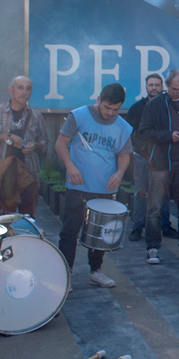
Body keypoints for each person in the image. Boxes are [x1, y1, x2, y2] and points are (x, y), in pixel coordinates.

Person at [55, 83, 133, 289]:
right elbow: (61, 143)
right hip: (78, 185)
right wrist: (70, 166)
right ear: (99, 100)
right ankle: (65, 273)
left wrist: (119, 172)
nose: (110, 113)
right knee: (70, 230)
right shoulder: (79, 115)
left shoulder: (122, 126)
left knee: (100, 234)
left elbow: (124, 155)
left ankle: (96, 271)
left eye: (115, 110)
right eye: (107, 107)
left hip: (104, 188)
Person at [137, 69, 179, 264]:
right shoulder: (154, 104)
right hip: (160, 163)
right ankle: (153, 248)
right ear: (167, 85)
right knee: (154, 207)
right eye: (174, 89)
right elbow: (144, 132)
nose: (177, 93)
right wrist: (168, 136)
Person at [0, 76, 48, 216]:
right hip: (4, 174)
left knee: (28, 218)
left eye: (28, 89)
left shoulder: (36, 116)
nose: (24, 92)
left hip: (29, 174)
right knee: (4, 218)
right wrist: (6, 137)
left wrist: (35, 145)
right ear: (11, 90)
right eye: (20, 88)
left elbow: (45, 143)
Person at [125, 73, 171, 242]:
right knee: (141, 192)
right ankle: (138, 227)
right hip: (142, 157)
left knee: (163, 192)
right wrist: (144, 151)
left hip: (162, 157)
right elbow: (131, 133)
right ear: (146, 87)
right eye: (151, 85)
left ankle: (165, 226)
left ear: (162, 87)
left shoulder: (167, 106)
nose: (154, 88)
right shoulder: (137, 108)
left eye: (157, 85)